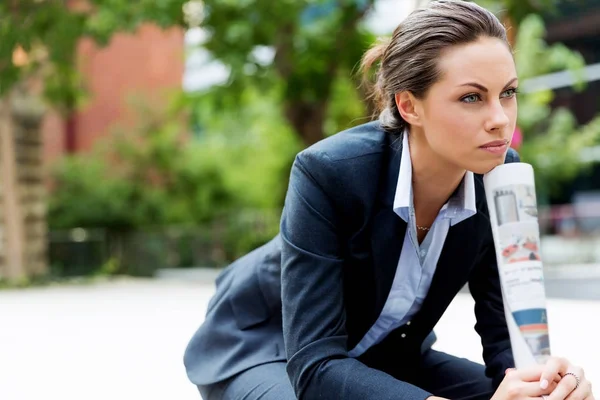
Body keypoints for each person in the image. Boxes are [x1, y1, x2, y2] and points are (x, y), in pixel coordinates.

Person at [184, 1, 595, 399]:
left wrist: (544, 384)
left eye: (508, 93)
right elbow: (316, 367)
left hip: (387, 356)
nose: (500, 118)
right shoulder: (329, 172)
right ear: (408, 105)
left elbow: (506, 336)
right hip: (267, 348)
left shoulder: (500, 178)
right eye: (472, 97)